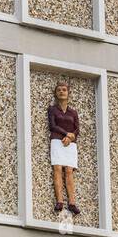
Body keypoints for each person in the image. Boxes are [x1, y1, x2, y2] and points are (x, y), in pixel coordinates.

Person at [46, 80, 80, 215]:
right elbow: (52, 125)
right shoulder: (53, 109)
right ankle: (59, 201)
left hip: (70, 143)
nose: (61, 92)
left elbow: (77, 128)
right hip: (57, 140)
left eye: (64, 90)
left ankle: (72, 202)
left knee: (69, 171)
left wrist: (71, 137)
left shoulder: (73, 112)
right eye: (59, 89)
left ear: (68, 93)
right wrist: (67, 134)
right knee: (58, 168)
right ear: (56, 92)